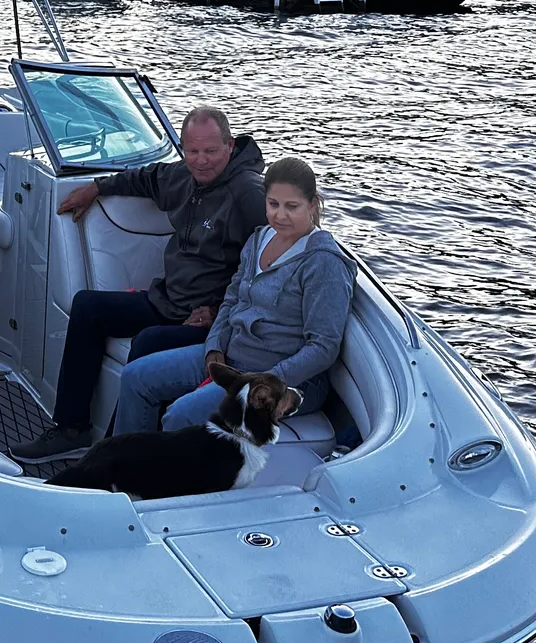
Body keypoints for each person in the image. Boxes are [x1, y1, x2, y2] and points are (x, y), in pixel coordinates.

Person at [11, 106, 266, 463]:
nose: (201, 160)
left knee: (148, 341)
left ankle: (115, 452)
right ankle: (72, 430)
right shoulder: (184, 175)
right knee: (88, 306)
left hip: (207, 319)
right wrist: (96, 188)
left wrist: (218, 310)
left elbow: (267, 268)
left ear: (230, 145)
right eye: (192, 151)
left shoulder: (249, 193)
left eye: (210, 151)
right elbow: (145, 178)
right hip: (168, 300)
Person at [112, 156, 354, 436]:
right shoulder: (259, 239)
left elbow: (323, 347)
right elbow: (231, 301)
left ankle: (157, 466)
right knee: (135, 377)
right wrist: (214, 348)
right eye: (273, 204)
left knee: (180, 414)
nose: (280, 215)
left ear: (312, 205)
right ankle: (122, 460)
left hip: (285, 382)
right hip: (233, 358)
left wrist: (267, 381)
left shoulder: (324, 263)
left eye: (292, 206)